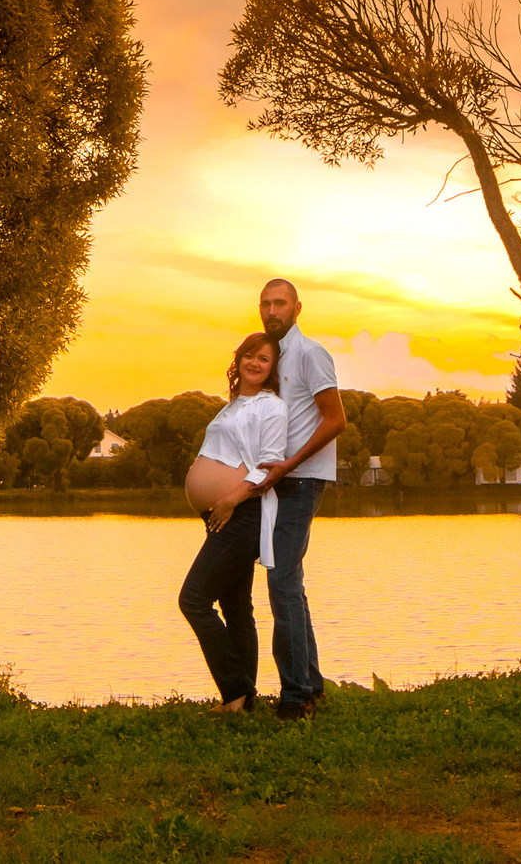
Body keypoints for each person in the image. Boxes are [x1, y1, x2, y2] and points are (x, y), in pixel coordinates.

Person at [179, 331, 287, 711]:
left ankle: (237, 689)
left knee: (193, 599)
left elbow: (269, 466)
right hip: (221, 514)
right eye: (250, 355)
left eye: (265, 359)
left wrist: (229, 499)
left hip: (243, 512)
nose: (255, 363)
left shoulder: (271, 406)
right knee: (237, 606)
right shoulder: (233, 405)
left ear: (273, 369)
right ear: (238, 359)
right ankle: (243, 699)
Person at [254, 276, 345, 720]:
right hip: (277, 482)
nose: (273, 311)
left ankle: (296, 698)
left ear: (297, 308)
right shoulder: (272, 358)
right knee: (291, 583)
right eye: (266, 304)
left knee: (281, 581)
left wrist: (289, 466)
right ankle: (311, 684)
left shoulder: (310, 354)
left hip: (302, 479)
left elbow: (335, 420)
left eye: (280, 304)